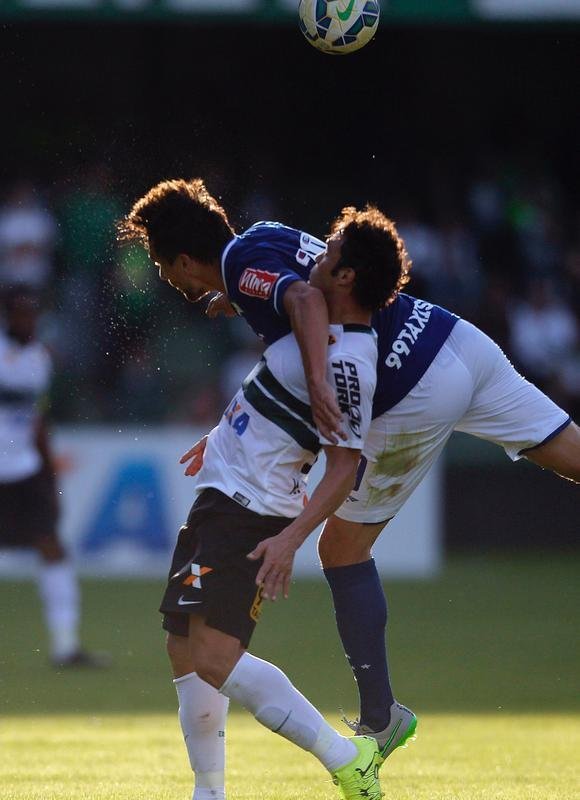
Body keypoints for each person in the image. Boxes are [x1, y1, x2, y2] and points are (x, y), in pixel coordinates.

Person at [121, 178, 579, 765]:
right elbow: (305, 277)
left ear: (184, 260)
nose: (171, 282)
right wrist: (238, 301)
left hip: (407, 383)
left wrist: (317, 380)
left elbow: (308, 303)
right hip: (448, 334)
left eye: (167, 269)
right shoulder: (263, 237)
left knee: (340, 548)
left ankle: (382, 717)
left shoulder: (254, 279)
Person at [123, 201, 414, 800]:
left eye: (328, 253)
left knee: (213, 655)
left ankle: (346, 757)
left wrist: (290, 538)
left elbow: (343, 466)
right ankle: (209, 791)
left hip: (251, 505)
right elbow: (280, 352)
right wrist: (228, 425)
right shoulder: (310, 321)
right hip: (224, 490)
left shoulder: (346, 360)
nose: (313, 255)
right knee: (183, 646)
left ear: (345, 278)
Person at [0, 288, 109, 668]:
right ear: (7, 316)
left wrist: (48, 475)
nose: (27, 321)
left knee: (53, 549)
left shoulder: (39, 360)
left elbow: (37, 420)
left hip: (25, 470)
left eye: (32, 314)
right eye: (20, 314)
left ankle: (65, 646)